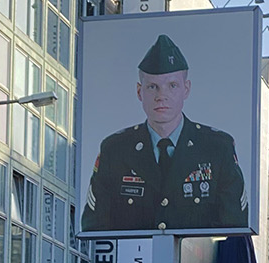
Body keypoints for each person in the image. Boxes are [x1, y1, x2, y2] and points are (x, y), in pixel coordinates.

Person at [81, 33, 247, 234]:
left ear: (186, 89)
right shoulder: (115, 150)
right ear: (139, 92)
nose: (162, 96)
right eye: (153, 87)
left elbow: (234, 230)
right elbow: (94, 231)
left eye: (172, 86)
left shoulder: (217, 148)